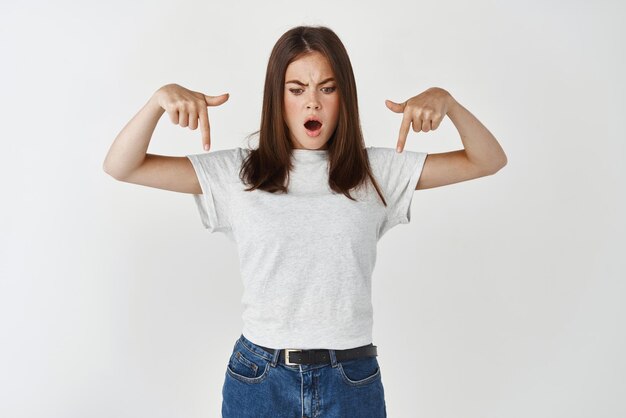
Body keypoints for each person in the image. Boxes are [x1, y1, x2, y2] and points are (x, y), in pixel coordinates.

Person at [103, 25, 507, 418]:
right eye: (297, 90)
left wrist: (448, 103)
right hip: (259, 379)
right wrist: (158, 101)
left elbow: (487, 160)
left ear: (343, 98)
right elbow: (123, 166)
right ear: (276, 99)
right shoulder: (237, 173)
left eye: (327, 89)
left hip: (351, 381)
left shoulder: (376, 172)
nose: (312, 103)